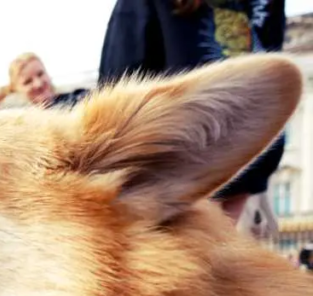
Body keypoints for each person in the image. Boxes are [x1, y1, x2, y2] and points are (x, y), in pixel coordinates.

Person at [98, 0, 286, 221]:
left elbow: (269, 77)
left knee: (214, 248)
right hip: (172, 168)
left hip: (242, 159)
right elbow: (118, 92)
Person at [0, 53, 90, 111]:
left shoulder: (80, 97)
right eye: (28, 82)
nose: (38, 84)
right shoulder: (22, 121)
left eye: (40, 74)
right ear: (16, 89)